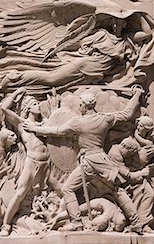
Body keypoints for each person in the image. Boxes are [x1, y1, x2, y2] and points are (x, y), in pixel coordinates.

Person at [23, 86, 144, 232]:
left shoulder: (77, 123)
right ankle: (136, 223)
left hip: (88, 162)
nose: (79, 107)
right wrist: (136, 94)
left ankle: (76, 222)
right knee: (117, 190)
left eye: (80, 104)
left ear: (85, 106)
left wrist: (34, 128)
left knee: (67, 189)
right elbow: (127, 113)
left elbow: (55, 131)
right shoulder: (104, 119)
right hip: (101, 160)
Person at [1, 16, 152, 89]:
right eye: (114, 22)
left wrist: (140, 14)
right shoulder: (101, 35)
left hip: (95, 73)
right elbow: (78, 43)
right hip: (85, 65)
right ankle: (15, 77)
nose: (115, 25)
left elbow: (148, 33)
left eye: (119, 22)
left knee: (56, 83)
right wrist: (60, 48)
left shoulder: (126, 40)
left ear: (124, 24)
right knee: (52, 78)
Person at [0, 87, 50, 236]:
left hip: (48, 164)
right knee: (21, 192)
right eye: (34, 104)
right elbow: (3, 108)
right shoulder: (22, 123)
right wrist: (15, 94)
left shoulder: (45, 123)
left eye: (38, 103)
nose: (38, 106)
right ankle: (6, 225)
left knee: (53, 191)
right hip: (32, 162)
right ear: (27, 108)